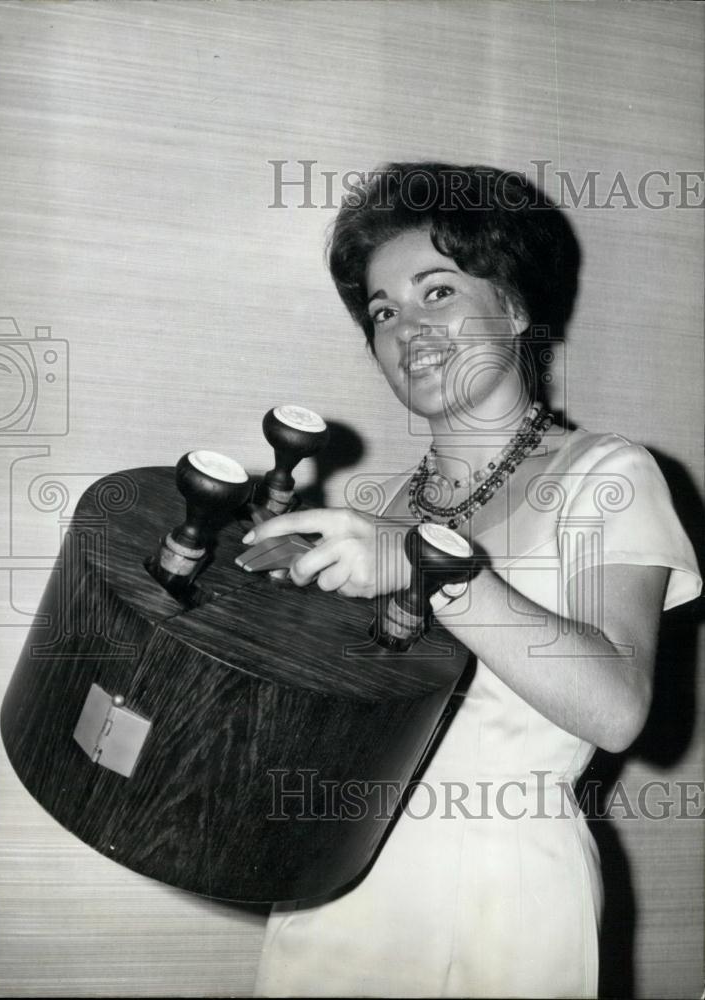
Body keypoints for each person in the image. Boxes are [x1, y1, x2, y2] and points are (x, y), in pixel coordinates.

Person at [247, 164, 702, 998]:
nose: (407, 328)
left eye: (439, 292)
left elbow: (619, 708)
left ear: (517, 308)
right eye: (383, 311)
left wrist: (430, 570)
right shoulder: (376, 507)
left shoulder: (609, 474)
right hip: (334, 884)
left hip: (506, 893)